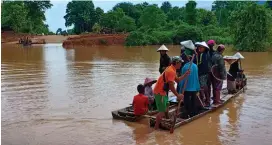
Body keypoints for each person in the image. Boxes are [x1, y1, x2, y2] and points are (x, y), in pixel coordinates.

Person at [153, 56, 190, 129]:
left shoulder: (172, 69)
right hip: (159, 92)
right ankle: (156, 128)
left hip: (162, 91)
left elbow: (178, 80)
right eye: (180, 63)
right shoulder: (171, 71)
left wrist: (185, 75)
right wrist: (177, 95)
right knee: (162, 111)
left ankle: (167, 119)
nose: (181, 64)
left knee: (167, 104)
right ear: (176, 63)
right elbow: (171, 86)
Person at [178, 40, 200, 117]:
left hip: (186, 89)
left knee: (187, 103)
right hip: (193, 89)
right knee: (193, 102)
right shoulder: (195, 66)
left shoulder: (184, 67)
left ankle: (186, 114)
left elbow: (182, 81)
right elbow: (197, 79)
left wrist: (180, 91)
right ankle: (193, 114)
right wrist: (197, 88)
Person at [195, 42, 211, 106]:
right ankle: (207, 99)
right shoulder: (207, 54)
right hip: (206, 72)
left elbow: (199, 64)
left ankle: (204, 100)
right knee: (205, 86)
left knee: (202, 86)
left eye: (201, 47)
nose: (199, 48)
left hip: (202, 73)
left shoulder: (202, 55)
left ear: (204, 48)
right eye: (199, 47)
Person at [206, 40, 216, 104]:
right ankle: (215, 99)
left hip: (208, 71)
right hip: (214, 72)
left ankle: (208, 99)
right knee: (214, 86)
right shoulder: (215, 53)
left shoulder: (206, 53)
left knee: (208, 86)